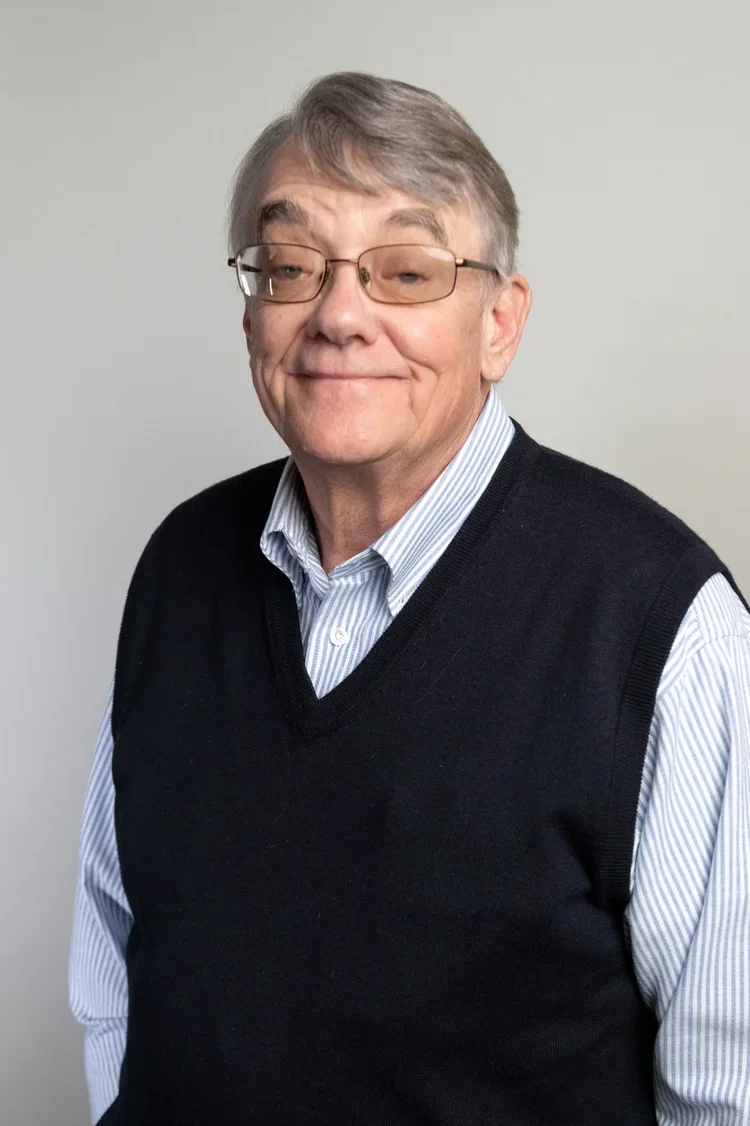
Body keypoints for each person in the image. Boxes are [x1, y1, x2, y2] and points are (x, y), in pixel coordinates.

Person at [69, 72, 750, 1126]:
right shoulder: (178, 567)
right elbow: (117, 965)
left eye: (406, 271)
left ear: (499, 324)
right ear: (251, 314)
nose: (340, 315)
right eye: (292, 266)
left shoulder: (660, 628)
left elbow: (729, 1088)